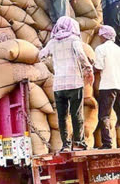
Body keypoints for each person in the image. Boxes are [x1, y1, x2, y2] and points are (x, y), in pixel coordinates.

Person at [39, 16, 94, 151]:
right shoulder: (74, 40)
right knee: (76, 114)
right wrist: (88, 69)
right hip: (74, 82)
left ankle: (65, 145)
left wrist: (51, 61)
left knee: (62, 117)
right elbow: (81, 55)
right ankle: (79, 143)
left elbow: (41, 55)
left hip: (59, 85)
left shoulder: (52, 42)